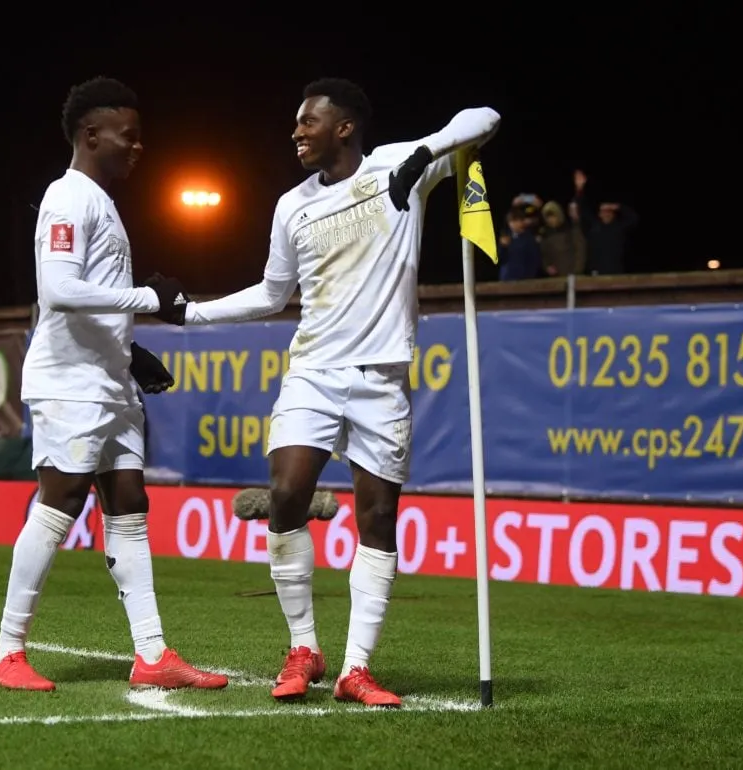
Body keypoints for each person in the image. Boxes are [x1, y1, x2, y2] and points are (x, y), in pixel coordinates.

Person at [168, 79, 500, 707]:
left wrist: (425, 161)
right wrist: (192, 315)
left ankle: (356, 668)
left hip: (382, 380)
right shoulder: (291, 206)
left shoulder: (395, 166)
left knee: (377, 517)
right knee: (288, 490)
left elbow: (484, 117)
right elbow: (271, 294)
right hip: (314, 371)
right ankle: (304, 648)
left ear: (343, 127)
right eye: (297, 123)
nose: (296, 132)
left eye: (308, 122)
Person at [0, 76, 227, 693]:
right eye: (129, 136)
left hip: (107, 381)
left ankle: (151, 654)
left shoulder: (100, 200)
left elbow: (88, 296)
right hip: (71, 383)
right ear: (91, 135)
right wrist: (149, 299)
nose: (137, 146)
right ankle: (6, 651)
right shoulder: (68, 198)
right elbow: (60, 291)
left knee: (129, 506)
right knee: (60, 503)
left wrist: (131, 349)